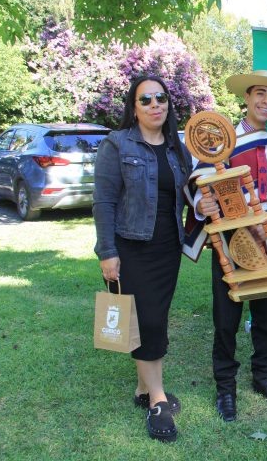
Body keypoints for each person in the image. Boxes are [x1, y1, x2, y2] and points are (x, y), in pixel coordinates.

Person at [184, 70, 267, 422]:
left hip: (266, 244)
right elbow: (196, 185)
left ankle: (263, 377)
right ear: (247, 98)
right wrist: (202, 203)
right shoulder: (219, 145)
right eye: (260, 94)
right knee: (226, 322)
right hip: (228, 245)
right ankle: (226, 387)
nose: (266, 101)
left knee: (266, 320)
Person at [93, 75, 192, 442]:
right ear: (133, 108)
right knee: (146, 321)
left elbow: (189, 194)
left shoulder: (177, 149)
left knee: (154, 319)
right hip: (130, 248)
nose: (155, 105)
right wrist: (107, 252)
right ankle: (157, 400)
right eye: (145, 99)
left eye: (160, 98)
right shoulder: (117, 144)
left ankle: (142, 388)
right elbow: (103, 201)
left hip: (167, 250)